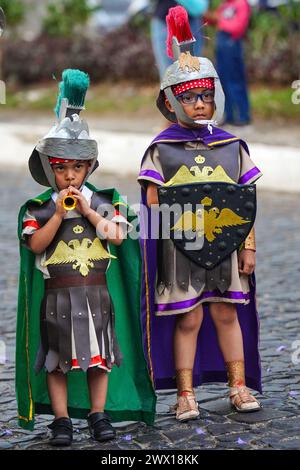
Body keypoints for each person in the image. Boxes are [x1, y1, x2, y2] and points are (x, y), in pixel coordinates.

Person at [16, 69, 156, 446]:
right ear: (50, 169)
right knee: (56, 361)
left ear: (89, 167)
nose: (70, 177)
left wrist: (91, 211)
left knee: (99, 358)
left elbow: (118, 234)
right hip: (57, 298)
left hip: (96, 297)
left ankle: (98, 413)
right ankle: (61, 420)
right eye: (61, 169)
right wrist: (60, 213)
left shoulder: (105, 201)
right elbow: (36, 246)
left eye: (77, 168)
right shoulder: (41, 209)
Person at [138, 6, 262, 422]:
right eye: (189, 97)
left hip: (225, 248)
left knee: (227, 313)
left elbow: (246, 200)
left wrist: (248, 248)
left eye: (205, 95)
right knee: (188, 320)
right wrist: (155, 256)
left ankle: (238, 385)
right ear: (172, 102)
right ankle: (185, 394)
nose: (199, 104)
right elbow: (154, 203)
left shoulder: (231, 146)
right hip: (179, 252)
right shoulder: (162, 149)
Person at [204, 0, 251, 126]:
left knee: (235, 80)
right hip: (221, 47)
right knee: (222, 81)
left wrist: (220, 20)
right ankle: (228, 115)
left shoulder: (241, 3)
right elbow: (214, 21)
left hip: (232, 45)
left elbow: (239, 26)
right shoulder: (224, 5)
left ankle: (243, 115)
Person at [151, 0, 207, 79]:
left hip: (190, 22)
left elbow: (199, 8)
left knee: (191, 77)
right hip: (163, 20)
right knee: (169, 78)